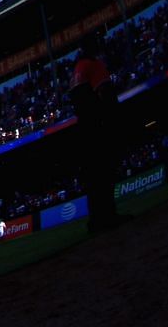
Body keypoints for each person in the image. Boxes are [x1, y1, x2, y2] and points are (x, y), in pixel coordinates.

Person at [68, 36, 123, 233]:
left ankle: (96, 221)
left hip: (83, 129)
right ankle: (108, 216)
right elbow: (106, 94)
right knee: (105, 173)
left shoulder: (76, 70)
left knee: (93, 178)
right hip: (98, 126)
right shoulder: (94, 65)